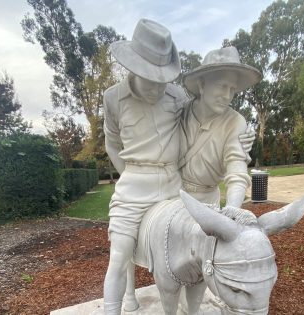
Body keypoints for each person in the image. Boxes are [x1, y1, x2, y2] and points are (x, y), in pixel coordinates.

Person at [102, 18, 186, 314]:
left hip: (172, 185)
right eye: (152, 78)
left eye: (162, 78)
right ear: (133, 68)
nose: (158, 86)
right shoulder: (113, 98)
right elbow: (111, 143)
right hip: (133, 184)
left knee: (189, 248)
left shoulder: (178, 97)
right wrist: (129, 176)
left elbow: (197, 131)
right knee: (119, 254)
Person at [179, 46, 261, 208]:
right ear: (202, 85)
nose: (227, 96)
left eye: (232, 89)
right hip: (171, 198)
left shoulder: (235, 123)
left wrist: (232, 212)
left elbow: (237, 174)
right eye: (222, 86)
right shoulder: (179, 111)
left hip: (206, 205)